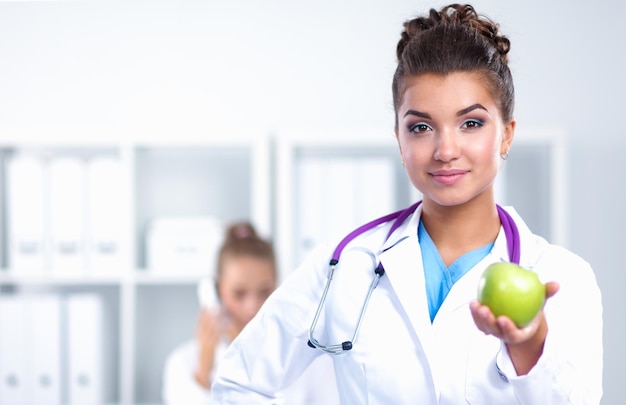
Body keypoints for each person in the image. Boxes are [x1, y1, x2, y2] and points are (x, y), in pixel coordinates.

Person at [211, 4, 603, 404]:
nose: (446, 149)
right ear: (400, 139)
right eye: (421, 127)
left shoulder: (562, 278)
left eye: (471, 123)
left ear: (506, 135)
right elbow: (237, 383)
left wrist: (530, 347)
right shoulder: (346, 265)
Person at [162, 222, 339, 404]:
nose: (252, 307)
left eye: (264, 291)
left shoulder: (310, 359)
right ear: (217, 292)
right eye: (239, 293)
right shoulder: (182, 362)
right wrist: (203, 373)